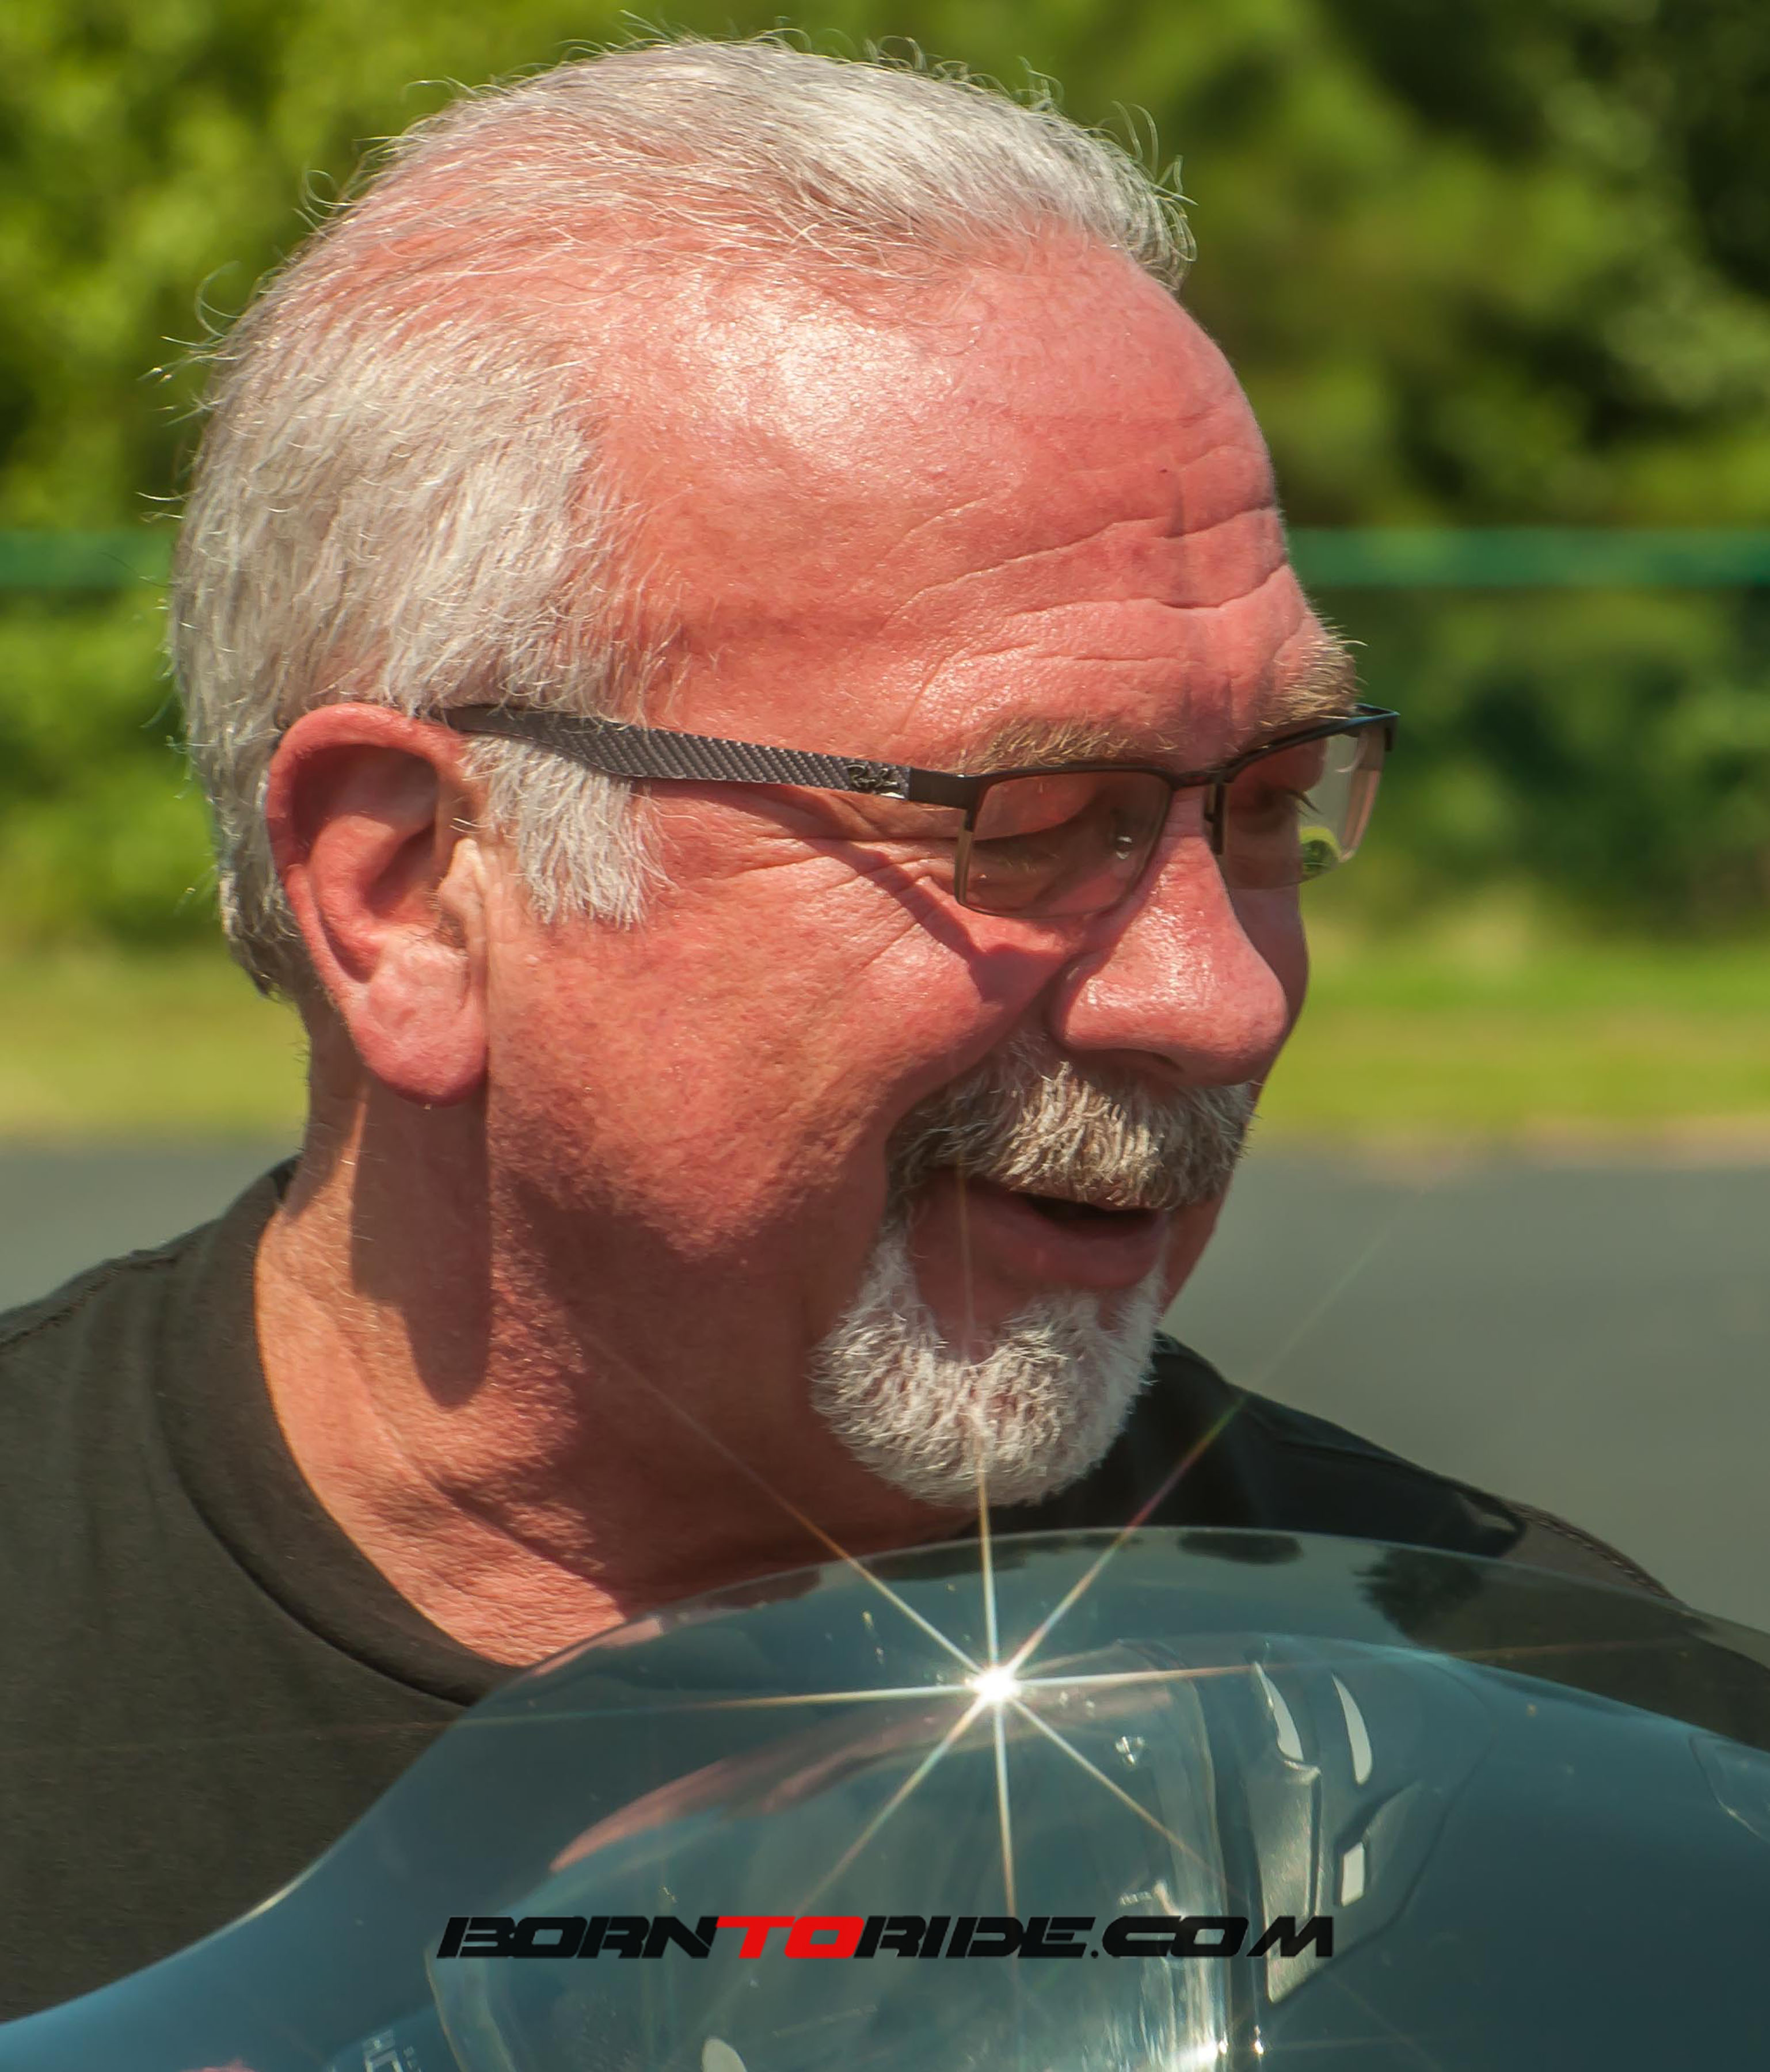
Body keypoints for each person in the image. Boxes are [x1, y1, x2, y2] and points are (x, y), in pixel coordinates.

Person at [0, 37, 1667, 2022]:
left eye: (1268, 805)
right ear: (412, 890)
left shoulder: (1552, 1771)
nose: (1215, 1001)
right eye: (1027, 821)